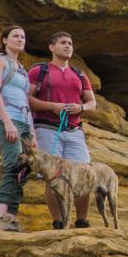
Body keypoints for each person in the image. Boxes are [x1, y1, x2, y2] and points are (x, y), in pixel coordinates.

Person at [27, 31, 97, 229]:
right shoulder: (39, 70)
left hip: (74, 130)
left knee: (84, 174)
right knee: (54, 177)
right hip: (47, 130)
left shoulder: (80, 74)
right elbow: (27, 99)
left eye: (70, 43)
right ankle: (58, 222)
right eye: (63, 43)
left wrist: (80, 107)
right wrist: (51, 106)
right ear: (52, 47)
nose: (68, 46)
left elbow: (92, 103)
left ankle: (82, 221)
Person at [0, 25, 34, 232]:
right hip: (7, 119)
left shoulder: (21, 67)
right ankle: (0, 218)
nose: (20, 39)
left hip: (23, 120)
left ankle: (11, 218)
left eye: (22, 36)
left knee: (25, 168)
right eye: (15, 36)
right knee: (13, 165)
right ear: (4, 40)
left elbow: (26, 100)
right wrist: (7, 122)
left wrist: (32, 133)